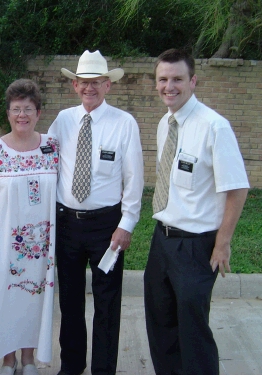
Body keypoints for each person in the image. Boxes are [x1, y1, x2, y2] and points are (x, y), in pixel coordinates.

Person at [144, 48, 249, 375]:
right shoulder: (165, 123)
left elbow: (237, 187)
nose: (169, 86)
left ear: (193, 81)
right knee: (160, 327)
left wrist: (222, 243)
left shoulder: (214, 126)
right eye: (163, 79)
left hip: (196, 247)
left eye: (177, 79)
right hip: (161, 240)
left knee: (193, 331)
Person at [48, 50, 144, 375]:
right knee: (70, 302)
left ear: (108, 86)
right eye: (84, 82)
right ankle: (71, 366)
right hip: (67, 224)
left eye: (97, 83)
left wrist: (126, 224)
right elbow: (45, 162)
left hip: (107, 226)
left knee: (107, 302)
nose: (90, 88)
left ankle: (104, 369)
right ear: (75, 85)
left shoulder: (124, 124)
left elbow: (134, 179)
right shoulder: (61, 121)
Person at [0, 79, 59, 375]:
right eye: (16, 109)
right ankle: (8, 361)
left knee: (34, 301)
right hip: (3, 245)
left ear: (39, 112)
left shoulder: (52, 147)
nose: (22, 115)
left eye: (29, 109)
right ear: (7, 113)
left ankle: (29, 358)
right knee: (5, 301)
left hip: (42, 248)